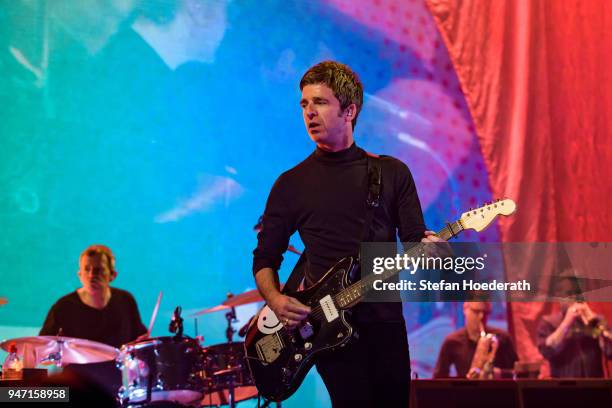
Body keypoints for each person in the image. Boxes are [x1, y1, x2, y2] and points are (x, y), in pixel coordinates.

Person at [252, 60, 444, 407]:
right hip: (329, 329)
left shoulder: (391, 173)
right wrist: (277, 300)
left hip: (385, 323)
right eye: (304, 104)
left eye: (320, 102)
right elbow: (265, 258)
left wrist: (435, 252)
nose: (309, 112)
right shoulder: (290, 185)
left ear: (349, 110)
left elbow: (417, 242)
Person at [40, 244, 147, 348]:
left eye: (98, 270)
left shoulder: (126, 300)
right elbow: (42, 347)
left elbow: (139, 340)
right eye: (87, 269)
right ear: (79, 275)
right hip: (77, 366)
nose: (91, 275)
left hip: (119, 366)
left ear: (112, 275)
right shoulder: (63, 307)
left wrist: (144, 342)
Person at [537, 276, 612, 377]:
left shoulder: (596, 320)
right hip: (564, 389)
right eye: (569, 293)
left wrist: (595, 322)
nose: (575, 298)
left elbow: (610, 352)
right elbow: (546, 351)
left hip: (595, 388)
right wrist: (567, 321)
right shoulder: (549, 322)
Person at [433, 302, 518, 378]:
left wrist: (499, 374)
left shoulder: (503, 338)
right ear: (465, 310)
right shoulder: (451, 341)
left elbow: (518, 374)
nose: (481, 317)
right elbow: (439, 377)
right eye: (476, 311)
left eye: (485, 313)